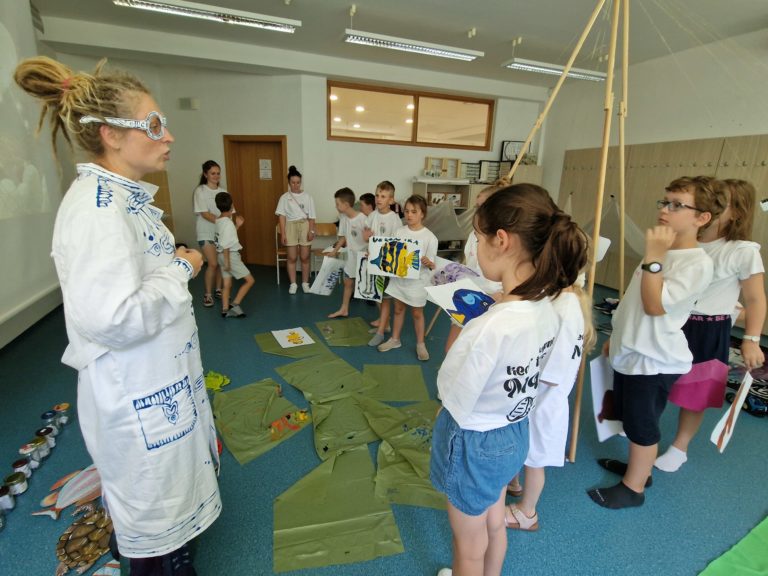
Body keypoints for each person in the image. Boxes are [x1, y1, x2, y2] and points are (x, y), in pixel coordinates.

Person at [14, 56, 221, 573]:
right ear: (111, 135)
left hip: (161, 383)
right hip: (138, 394)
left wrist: (172, 265)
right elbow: (114, 318)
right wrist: (183, 267)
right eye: (153, 125)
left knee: (173, 508)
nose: (168, 136)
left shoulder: (125, 201)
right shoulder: (97, 209)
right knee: (154, 522)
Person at [431, 184, 588, 576]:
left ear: (501, 240)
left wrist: (466, 326)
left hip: (473, 438)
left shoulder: (493, 325)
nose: (477, 246)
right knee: (494, 522)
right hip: (514, 430)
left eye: (478, 237)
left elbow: (451, 389)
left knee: (468, 546)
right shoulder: (552, 304)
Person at [590, 176, 726, 509]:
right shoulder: (663, 254)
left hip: (654, 360)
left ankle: (634, 488)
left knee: (641, 424)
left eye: (677, 205)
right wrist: (616, 337)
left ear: (702, 217)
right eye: (665, 202)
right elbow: (633, 302)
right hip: (633, 350)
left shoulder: (696, 263)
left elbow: (654, 305)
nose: (665, 210)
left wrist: (654, 256)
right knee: (628, 416)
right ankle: (640, 469)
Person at [655, 178, 766, 472]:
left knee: (696, 391)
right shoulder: (685, 239)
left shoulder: (742, 250)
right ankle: (639, 423)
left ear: (737, 212)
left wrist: (751, 339)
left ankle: (679, 447)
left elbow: (755, 299)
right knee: (653, 377)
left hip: (708, 329)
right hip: (671, 320)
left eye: (721, 203)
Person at [504, 273, 596, 530]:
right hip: (540, 398)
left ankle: (527, 513)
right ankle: (513, 483)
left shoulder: (565, 307)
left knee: (535, 460)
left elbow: (552, 371)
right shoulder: (562, 300)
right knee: (521, 445)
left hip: (544, 403)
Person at [444, 180, 506, 353]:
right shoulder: (473, 234)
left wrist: (501, 296)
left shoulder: (504, 240)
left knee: (479, 352)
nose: (477, 212)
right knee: (451, 350)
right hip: (470, 297)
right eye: (476, 207)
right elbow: (469, 264)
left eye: (482, 207)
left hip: (493, 302)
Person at [377, 195, 438, 361]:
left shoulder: (430, 237)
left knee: (417, 313)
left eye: (414, 212)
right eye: (407, 211)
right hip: (399, 280)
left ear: (422, 214)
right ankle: (395, 339)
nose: (409, 215)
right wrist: (377, 254)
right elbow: (391, 253)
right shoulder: (399, 232)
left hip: (417, 283)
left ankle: (420, 344)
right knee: (398, 309)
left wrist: (428, 262)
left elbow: (432, 265)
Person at [365, 181, 404, 346]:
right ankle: (384, 323)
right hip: (374, 263)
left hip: (386, 264)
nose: (379, 199)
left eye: (383, 196)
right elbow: (367, 236)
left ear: (391, 200)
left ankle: (381, 331)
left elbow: (397, 242)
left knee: (386, 298)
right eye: (377, 195)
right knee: (377, 296)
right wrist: (367, 241)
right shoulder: (372, 216)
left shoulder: (394, 219)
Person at [193, 160, 231, 307]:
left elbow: (229, 212)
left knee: (220, 263)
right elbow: (205, 214)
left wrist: (228, 226)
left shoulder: (224, 192)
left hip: (220, 233)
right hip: (205, 233)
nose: (216, 176)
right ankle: (207, 295)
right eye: (212, 173)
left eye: (218, 173)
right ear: (205, 174)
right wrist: (222, 221)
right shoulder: (200, 191)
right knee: (213, 264)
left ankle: (218, 289)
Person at [327, 187, 367, 318]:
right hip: (351, 256)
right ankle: (344, 309)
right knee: (348, 283)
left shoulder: (363, 219)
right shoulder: (344, 218)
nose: (336, 206)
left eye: (337, 204)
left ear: (346, 204)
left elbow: (371, 238)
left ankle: (384, 319)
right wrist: (335, 251)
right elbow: (344, 237)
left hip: (364, 257)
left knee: (370, 288)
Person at [275, 165, 316, 294]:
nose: (295, 185)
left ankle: (305, 283)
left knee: (305, 257)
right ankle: (293, 283)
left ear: (300, 182)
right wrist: (283, 233)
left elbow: (312, 216)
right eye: (293, 182)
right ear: (289, 182)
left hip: (304, 225)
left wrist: (311, 231)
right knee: (292, 257)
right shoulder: (284, 197)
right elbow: (282, 216)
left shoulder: (308, 197)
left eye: (298, 182)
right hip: (290, 226)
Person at [215, 192, 254, 318]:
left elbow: (227, 237)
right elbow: (227, 244)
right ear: (231, 205)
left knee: (227, 284)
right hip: (229, 256)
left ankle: (225, 309)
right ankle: (234, 304)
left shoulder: (218, 221)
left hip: (220, 256)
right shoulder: (228, 223)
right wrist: (227, 262)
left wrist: (237, 226)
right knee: (250, 280)